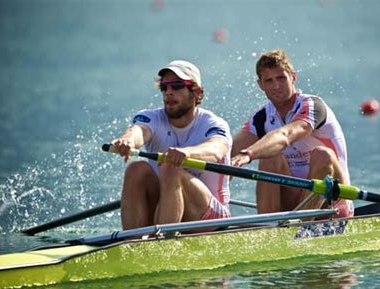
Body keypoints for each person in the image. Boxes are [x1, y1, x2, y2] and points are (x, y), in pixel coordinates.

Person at [231, 49, 353, 218]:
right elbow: (228, 153)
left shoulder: (313, 106)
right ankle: (268, 230)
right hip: (294, 201)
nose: (276, 86)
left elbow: (285, 136)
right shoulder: (261, 118)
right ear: (260, 85)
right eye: (269, 80)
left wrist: (248, 154)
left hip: (332, 202)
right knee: (270, 158)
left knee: (322, 155)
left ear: (293, 77)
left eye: (281, 78)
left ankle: (300, 228)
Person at [111, 60, 232, 229]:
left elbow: (216, 149)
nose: (168, 92)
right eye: (164, 87)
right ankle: (132, 242)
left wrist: (187, 153)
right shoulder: (152, 117)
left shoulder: (213, 124)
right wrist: (128, 141)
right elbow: (139, 130)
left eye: (176, 86)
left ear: (197, 92)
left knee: (170, 166)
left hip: (212, 219)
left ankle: (162, 244)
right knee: (136, 169)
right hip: (168, 207)